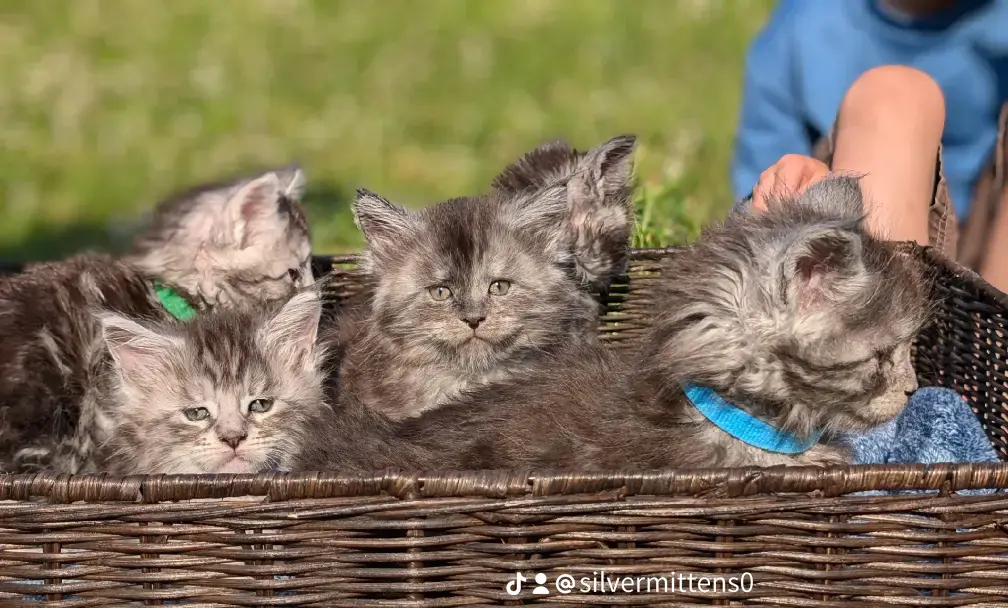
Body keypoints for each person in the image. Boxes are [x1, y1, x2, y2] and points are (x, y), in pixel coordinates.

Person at [733, 0, 1008, 287]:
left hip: (992, 255)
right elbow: (750, 226)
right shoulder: (804, 28)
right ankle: (879, 318)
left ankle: (995, 324)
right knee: (891, 99)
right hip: (851, 262)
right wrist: (800, 188)